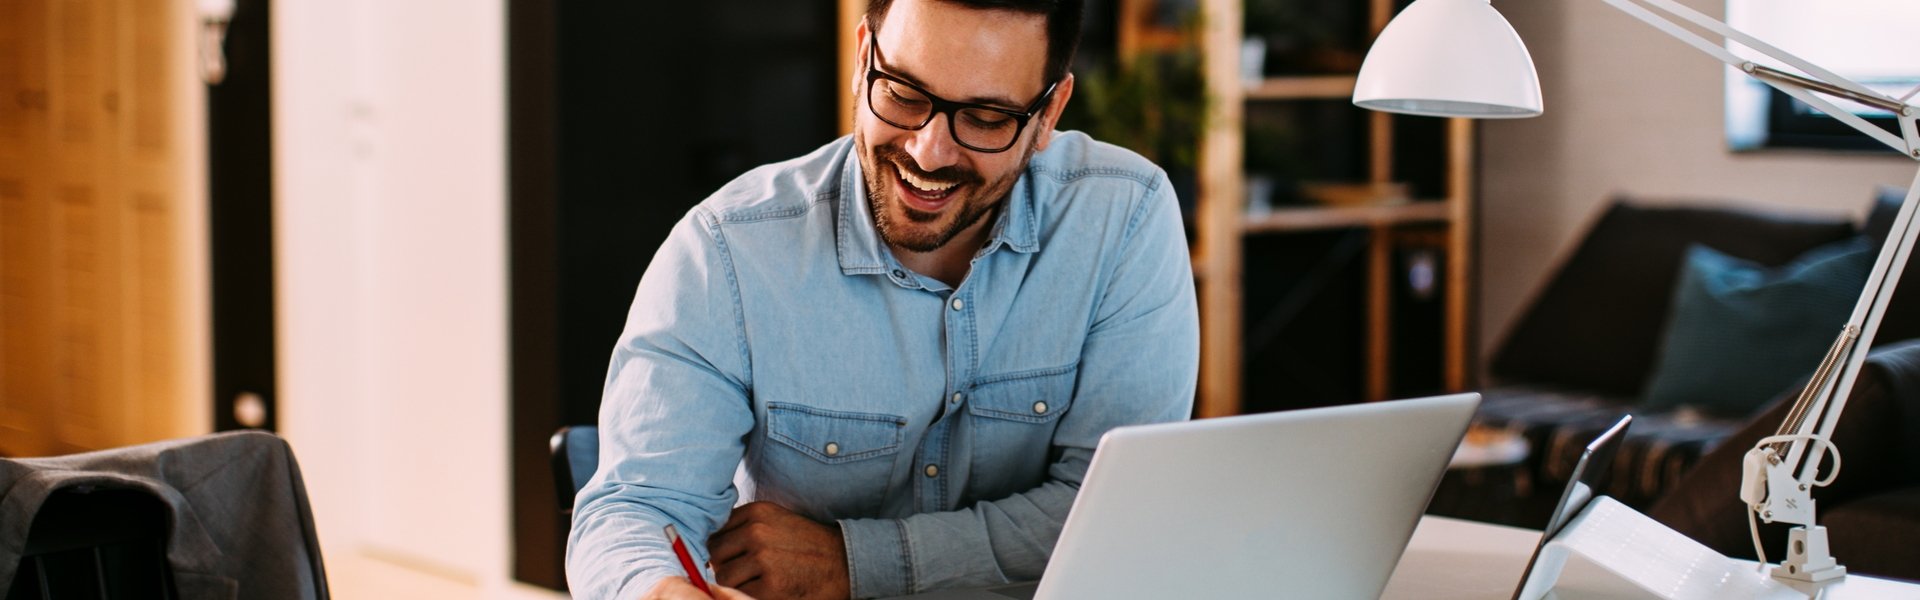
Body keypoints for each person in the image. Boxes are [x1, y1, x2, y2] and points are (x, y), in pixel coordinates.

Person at [566, 0, 1198, 598]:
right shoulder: (727, 252)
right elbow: (634, 512)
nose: (928, 150)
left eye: (985, 118)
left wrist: (852, 562)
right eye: (902, 94)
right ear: (864, 54)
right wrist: (659, 587)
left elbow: (1114, 513)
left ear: (1048, 114)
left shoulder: (1125, 218)